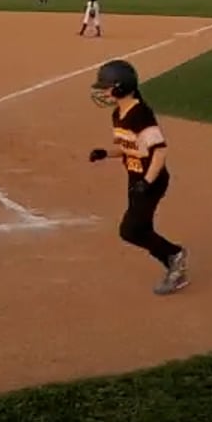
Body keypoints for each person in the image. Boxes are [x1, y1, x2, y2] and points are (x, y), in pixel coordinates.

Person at [87, 59, 189, 295]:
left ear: (120, 87)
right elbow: (129, 147)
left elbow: (159, 151)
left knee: (131, 231)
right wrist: (106, 153)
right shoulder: (118, 114)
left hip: (151, 181)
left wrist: (147, 182)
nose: (103, 92)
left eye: (106, 87)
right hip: (136, 180)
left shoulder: (140, 114)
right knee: (141, 229)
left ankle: (174, 255)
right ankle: (173, 262)